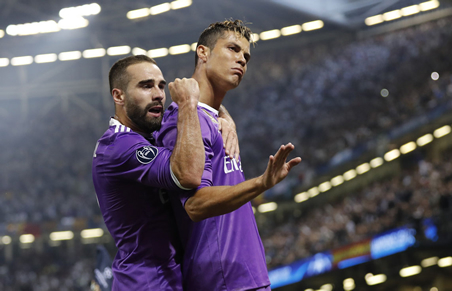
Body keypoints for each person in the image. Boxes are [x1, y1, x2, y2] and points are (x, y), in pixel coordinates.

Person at [156, 20, 301, 291]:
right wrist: (261, 183)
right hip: (222, 280)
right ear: (203, 53)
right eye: (233, 49)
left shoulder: (214, 119)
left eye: (246, 56)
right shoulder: (185, 121)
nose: (242, 60)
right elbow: (195, 204)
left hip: (245, 276)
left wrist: (223, 114)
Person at [92, 55, 239, 290]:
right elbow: (189, 175)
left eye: (161, 85)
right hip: (148, 281)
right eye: (146, 85)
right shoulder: (118, 146)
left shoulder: (150, 135)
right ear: (119, 96)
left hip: (171, 276)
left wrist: (224, 116)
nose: (159, 93)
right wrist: (189, 104)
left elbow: (209, 102)